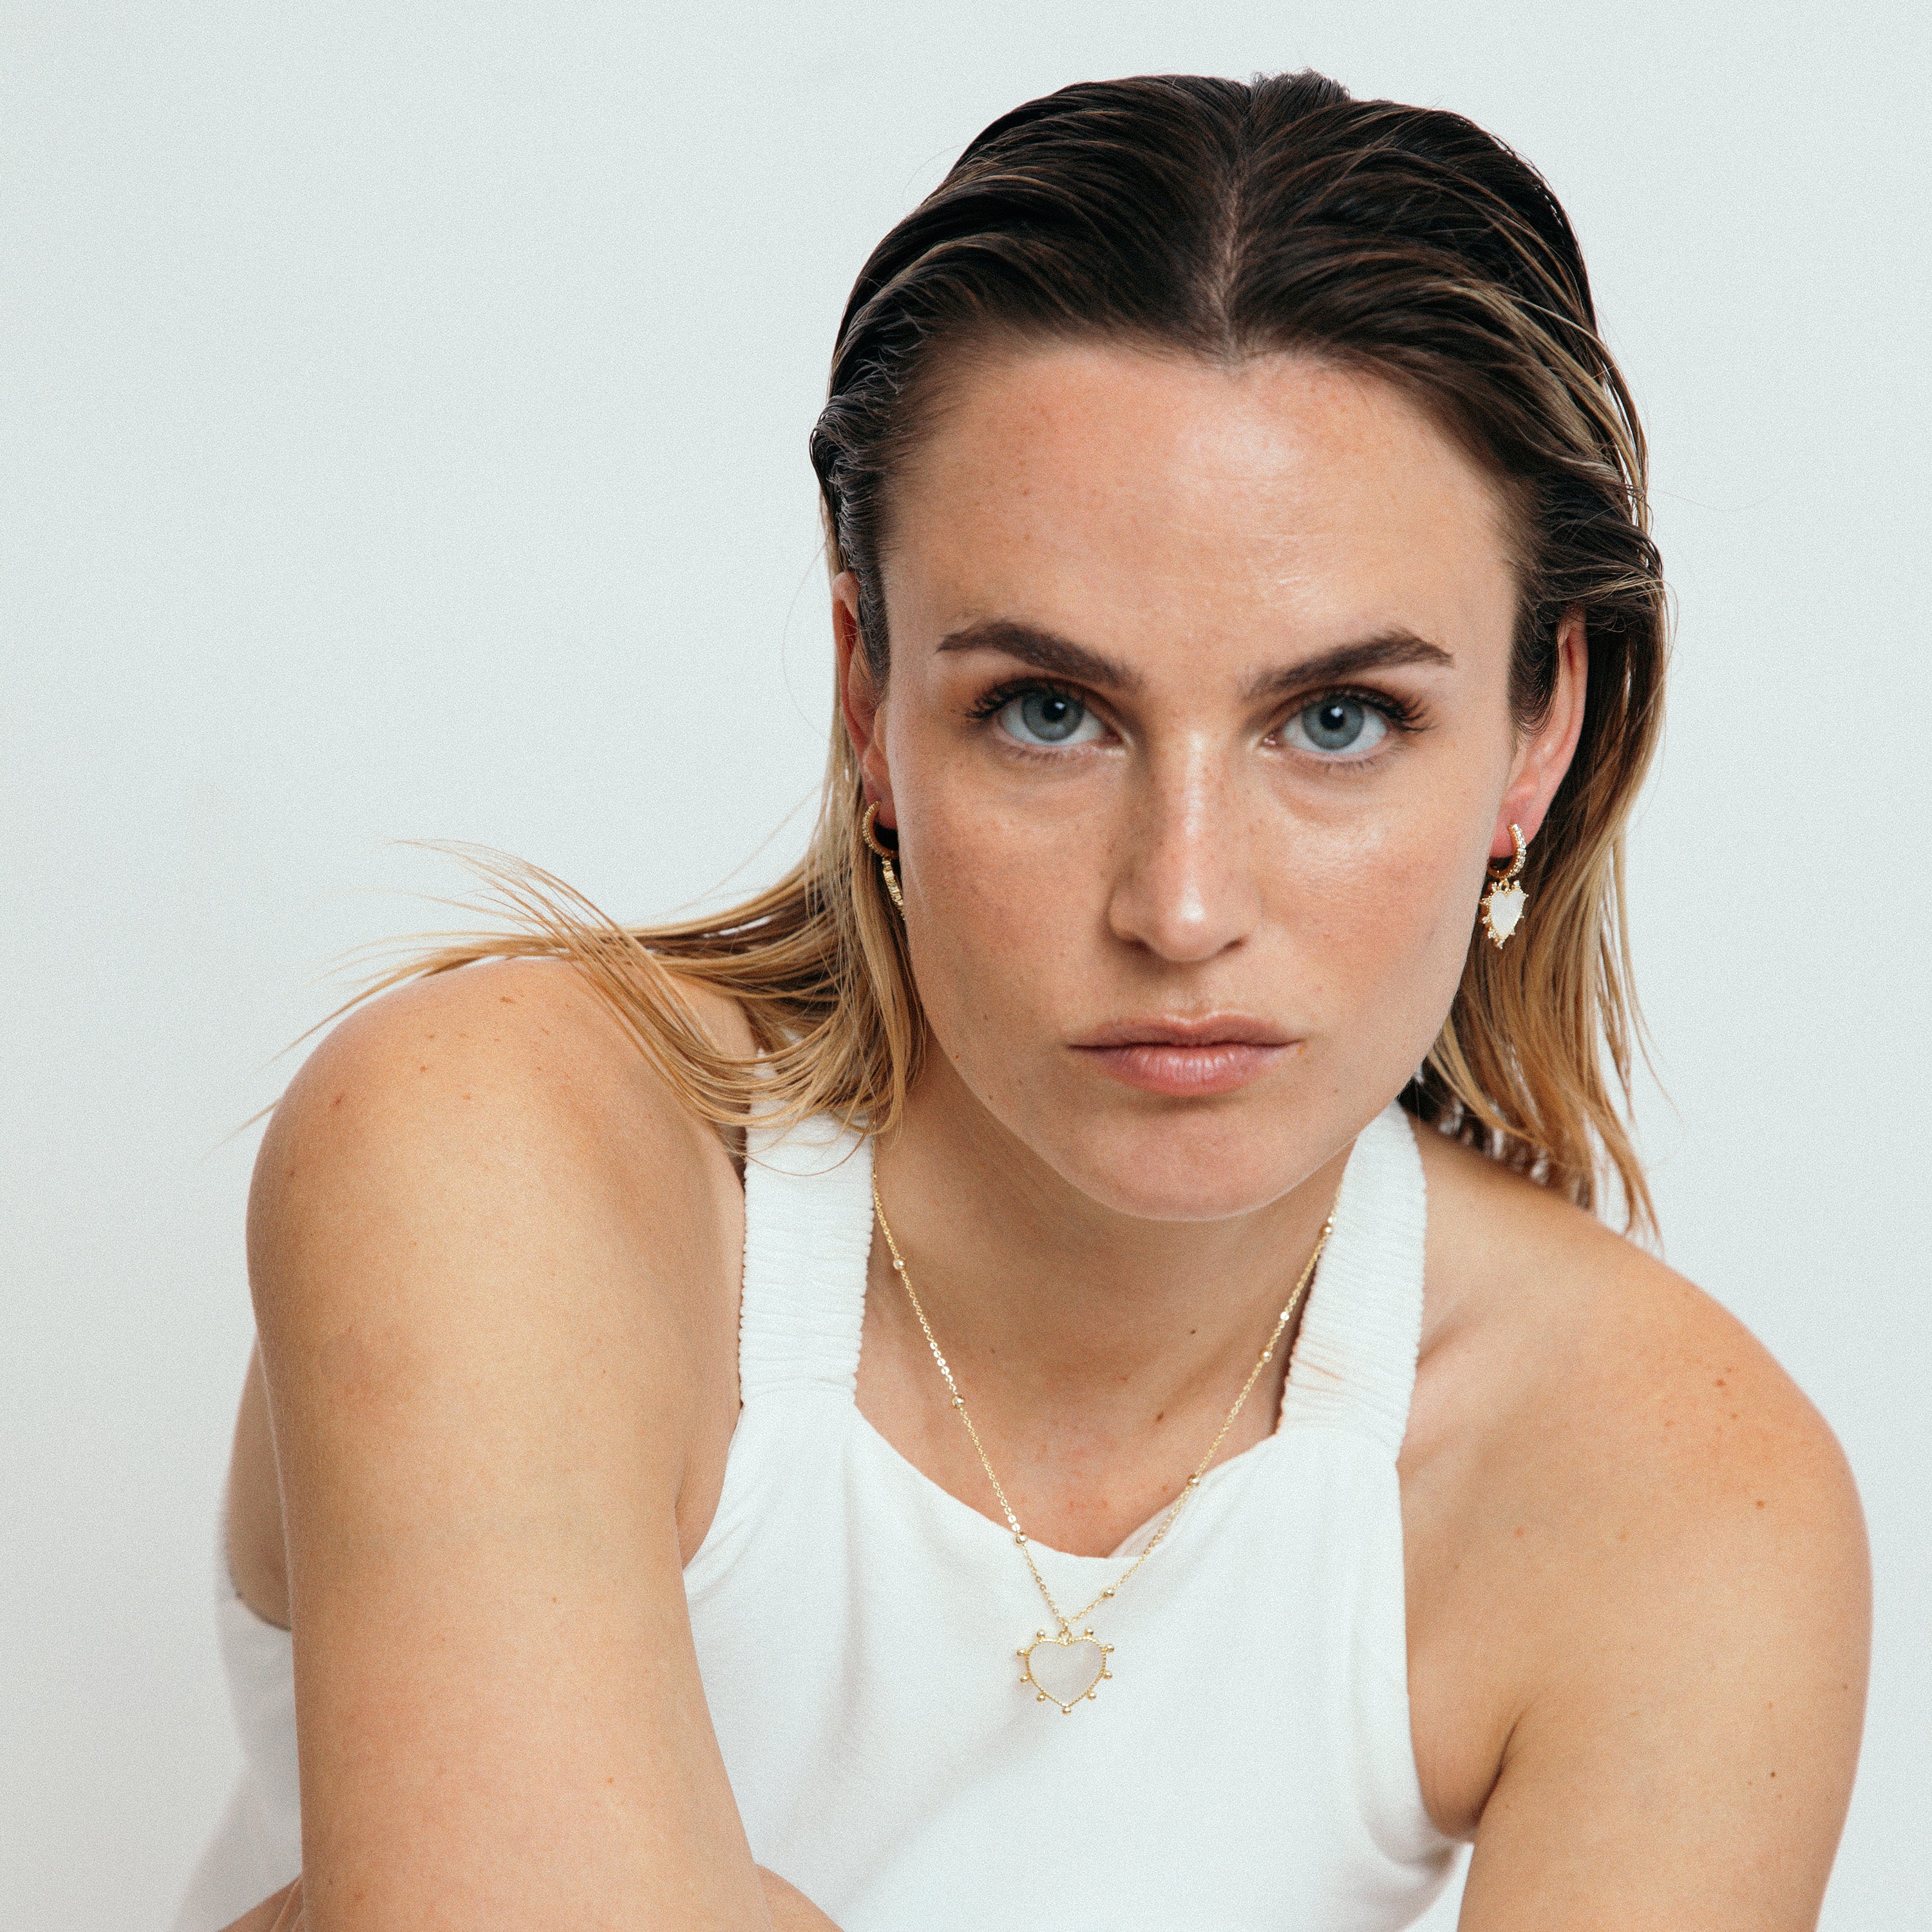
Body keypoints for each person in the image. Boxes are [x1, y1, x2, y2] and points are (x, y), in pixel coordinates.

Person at [176, 70, 1869, 1932]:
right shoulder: (499, 1153)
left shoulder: (1676, 1492)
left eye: (1338, 720)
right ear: (870, 694)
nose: (1183, 905)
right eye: (1049, 713)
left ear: (1537, 732)